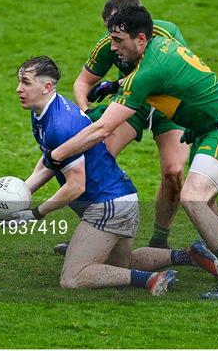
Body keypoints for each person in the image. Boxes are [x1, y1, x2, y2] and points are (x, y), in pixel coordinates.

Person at [46, 7, 218, 299]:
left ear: (141, 39)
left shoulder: (148, 69)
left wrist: (56, 155)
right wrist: (114, 85)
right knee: (203, 202)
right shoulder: (157, 47)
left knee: (193, 197)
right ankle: (212, 257)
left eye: (119, 40)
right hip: (205, 129)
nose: (113, 47)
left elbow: (102, 129)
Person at [10, 55, 180, 296]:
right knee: (122, 264)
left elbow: (75, 186)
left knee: (73, 277)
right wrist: (21, 195)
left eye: (25, 82)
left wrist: (36, 213)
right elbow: (51, 161)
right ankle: (191, 255)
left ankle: (152, 279)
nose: (19, 89)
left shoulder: (60, 124)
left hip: (108, 205)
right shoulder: (43, 111)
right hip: (118, 198)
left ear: (47, 87)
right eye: (19, 82)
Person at [73, 0, 190, 249]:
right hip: (131, 105)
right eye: (109, 30)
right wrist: (85, 111)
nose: (112, 39)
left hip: (169, 106)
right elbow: (82, 82)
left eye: (118, 32)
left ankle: (159, 242)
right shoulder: (109, 44)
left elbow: (161, 74)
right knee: (97, 160)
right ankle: (95, 233)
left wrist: (113, 85)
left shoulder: (166, 35)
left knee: (174, 172)